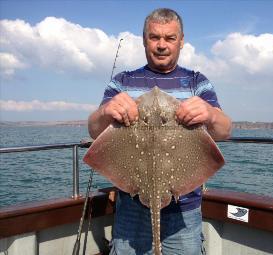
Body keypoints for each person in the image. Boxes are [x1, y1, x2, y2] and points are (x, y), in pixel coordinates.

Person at [88, 8, 232, 255]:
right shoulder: (122, 81)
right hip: (131, 209)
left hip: (184, 210)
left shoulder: (198, 82)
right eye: (154, 37)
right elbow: (93, 131)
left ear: (182, 41)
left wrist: (210, 114)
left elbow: (224, 130)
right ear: (144, 40)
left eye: (170, 38)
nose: (162, 45)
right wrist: (105, 112)